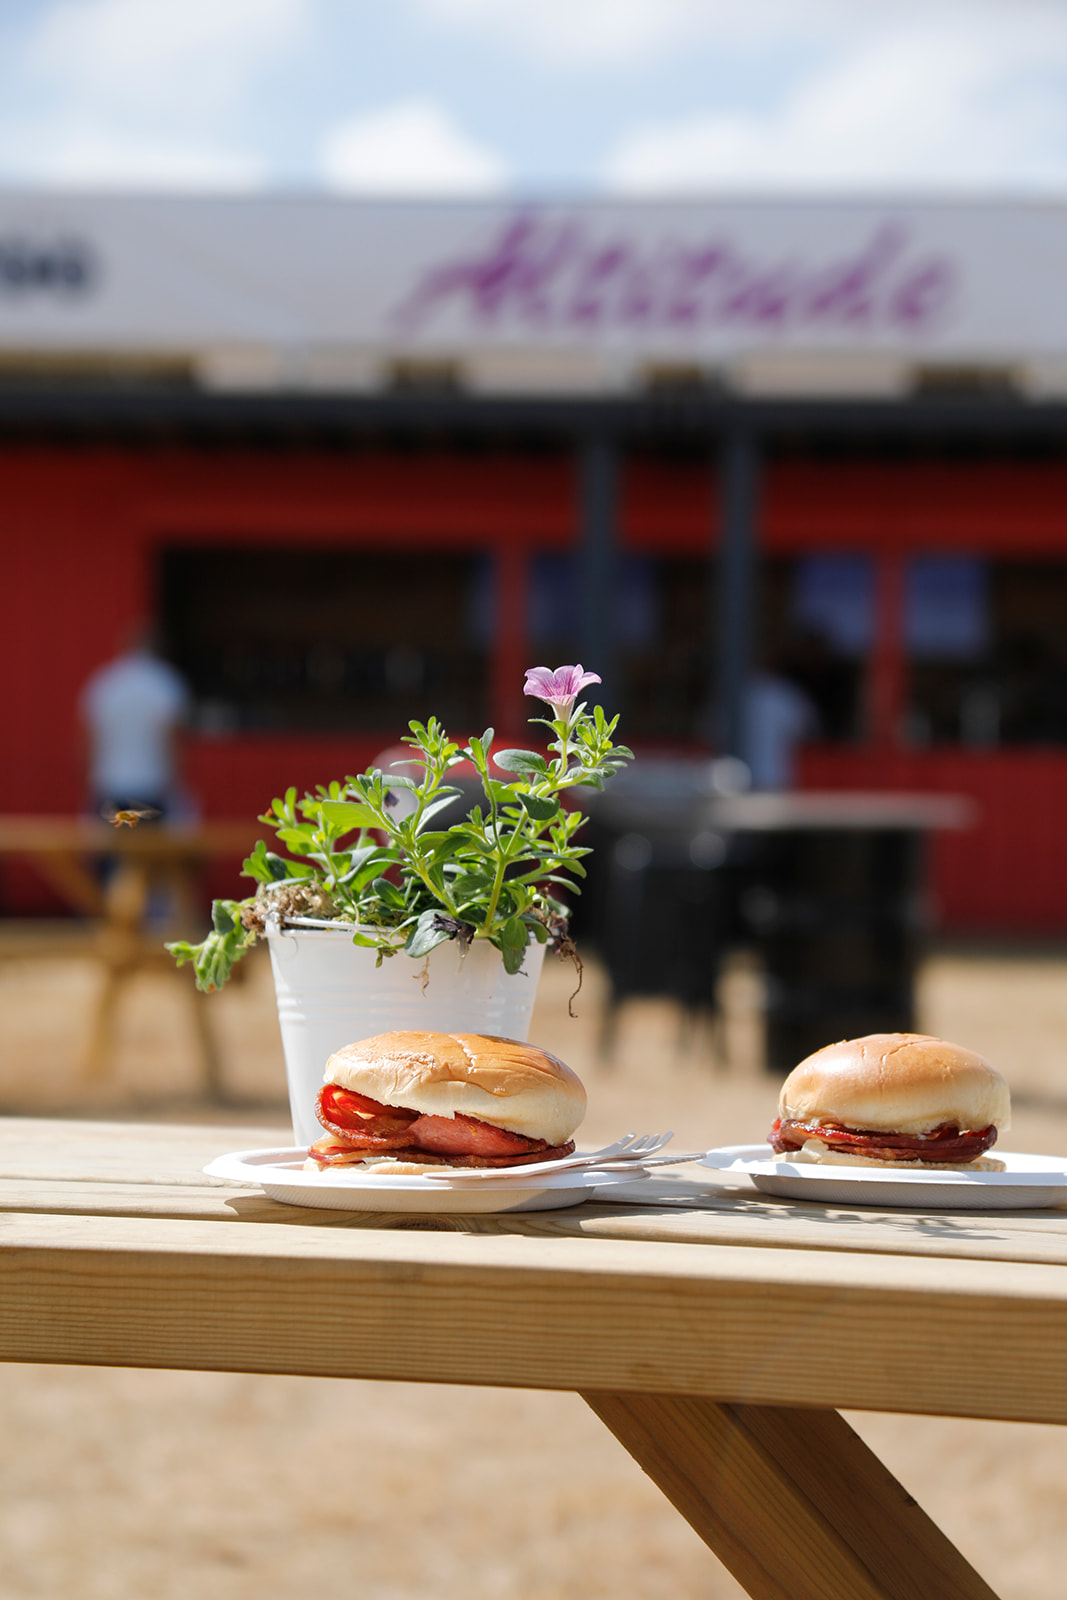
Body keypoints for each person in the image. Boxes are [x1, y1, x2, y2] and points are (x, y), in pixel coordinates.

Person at [79, 625, 193, 822]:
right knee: (152, 851)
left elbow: (89, 739)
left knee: (110, 850)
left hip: (109, 785)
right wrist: (177, 786)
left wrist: (91, 782)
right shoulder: (165, 683)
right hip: (152, 785)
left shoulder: (104, 682)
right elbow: (171, 740)